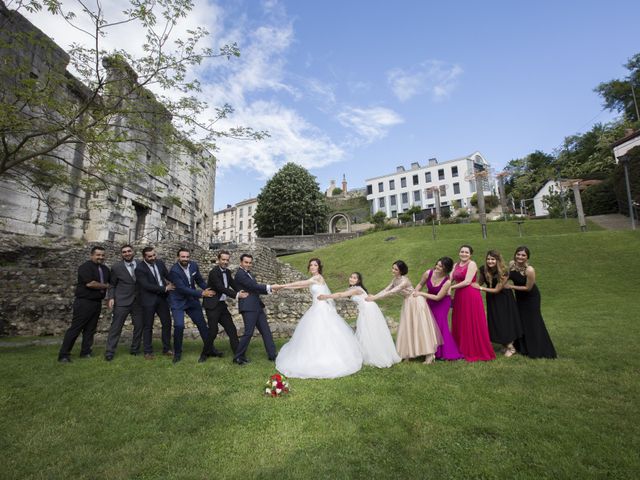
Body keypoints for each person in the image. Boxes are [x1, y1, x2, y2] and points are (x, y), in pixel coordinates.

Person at [275, 259, 363, 378]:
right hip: (315, 308)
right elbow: (298, 286)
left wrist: (281, 285)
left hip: (321, 309)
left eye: (315, 265)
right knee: (312, 334)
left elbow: (301, 283)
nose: (312, 267)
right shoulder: (312, 280)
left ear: (319, 267)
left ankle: (327, 359)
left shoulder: (318, 278)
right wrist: (283, 288)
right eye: (311, 265)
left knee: (322, 333)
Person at [318, 272, 400, 368]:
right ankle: (369, 353)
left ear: (358, 281)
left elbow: (341, 294)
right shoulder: (355, 288)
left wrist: (326, 296)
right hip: (367, 309)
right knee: (366, 332)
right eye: (351, 277)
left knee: (369, 332)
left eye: (354, 278)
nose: (352, 279)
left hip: (368, 311)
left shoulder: (356, 289)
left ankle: (377, 355)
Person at [366, 260, 442, 364]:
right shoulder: (395, 279)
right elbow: (386, 289)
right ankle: (408, 352)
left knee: (420, 326)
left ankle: (429, 355)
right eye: (393, 268)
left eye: (395, 269)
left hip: (416, 302)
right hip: (407, 302)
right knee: (408, 327)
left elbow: (392, 292)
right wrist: (374, 296)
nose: (393, 270)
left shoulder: (404, 281)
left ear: (401, 271)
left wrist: (374, 298)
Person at [58, 245, 110, 362]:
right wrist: (107, 286)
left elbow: (111, 281)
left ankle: (85, 352)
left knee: (90, 329)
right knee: (76, 328)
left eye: (102, 255)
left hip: (97, 303)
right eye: (98, 255)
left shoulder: (105, 269)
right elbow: (90, 284)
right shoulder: (85, 267)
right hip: (84, 302)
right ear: (92, 255)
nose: (100, 257)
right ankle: (64, 354)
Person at [504, 246, 557, 359]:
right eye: (518, 254)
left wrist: (510, 286)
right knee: (521, 321)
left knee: (533, 322)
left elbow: (528, 288)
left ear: (527, 257)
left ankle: (538, 349)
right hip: (519, 297)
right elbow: (507, 276)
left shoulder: (529, 270)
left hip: (531, 298)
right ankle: (522, 347)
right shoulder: (512, 264)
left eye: (523, 255)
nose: (520, 257)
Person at [449, 245, 496, 362]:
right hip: (459, 296)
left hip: (470, 294)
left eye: (466, 252)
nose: (464, 254)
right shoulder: (455, 265)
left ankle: (473, 349)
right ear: (459, 252)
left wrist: (451, 287)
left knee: (471, 320)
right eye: (462, 251)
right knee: (460, 320)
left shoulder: (472, 264)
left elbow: (467, 281)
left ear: (470, 254)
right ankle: (460, 347)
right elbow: (449, 278)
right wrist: (445, 285)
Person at [168, 248, 215, 364]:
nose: (185, 259)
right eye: (183, 257)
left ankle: (210, 349)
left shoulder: (193, 265)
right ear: (178, 257)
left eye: (187, 257)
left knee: (202, 325)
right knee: (179, 326)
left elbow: (199, 280)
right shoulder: (174, 271)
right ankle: (177, 353)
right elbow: (182, 288)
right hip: (178, 301)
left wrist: (207, 288)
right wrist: (201, 293)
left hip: (191, 300)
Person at [472, 250, 522, 357]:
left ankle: (511, 347)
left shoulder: (504, 271)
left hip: (504, 298)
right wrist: (468, 284)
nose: (490, 261)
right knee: (496, 321)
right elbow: (479, 282)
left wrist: (480, 288)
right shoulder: (483, 269)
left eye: (493, 259)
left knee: (504, 321)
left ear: (497, 260)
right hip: (492, 299)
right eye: (488, 259)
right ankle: (504, 345)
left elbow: (496, 290)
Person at [201, 250, 247, 362]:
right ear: (218, 260)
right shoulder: (213, 273)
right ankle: (204, 354)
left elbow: (233, 283)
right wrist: (237, 295)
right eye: (223, 259)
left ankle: (238, 356)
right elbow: (221, 288)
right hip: (212, 305)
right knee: (213, 331)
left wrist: (242, 290)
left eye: (227, 260)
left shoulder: (227, 272)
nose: (225, 262)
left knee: (231, 329)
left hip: (222, 305)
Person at [413, 257, 463, 361]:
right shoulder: (428, 273)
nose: (437, 267)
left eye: (441, 266)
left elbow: (438, 298)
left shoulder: (447, 282)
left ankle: (442, 352)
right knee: (428, 324)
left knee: (439, 324)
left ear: (446, 269)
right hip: (430, 301)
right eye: (437, 264)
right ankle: (427, 349)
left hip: (442, 302)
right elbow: (420, 284)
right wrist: (414, 293)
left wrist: (421, 294)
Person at [232, 253, 277, 365]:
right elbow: (253, 286)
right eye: (246, 262)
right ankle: (238, 357)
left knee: (266, 331)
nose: (248, 264)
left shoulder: (249, 274)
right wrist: (270, 287)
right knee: (248, 333)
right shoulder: (240, 274)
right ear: (241, 262)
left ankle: (272, 355)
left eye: (250, 263)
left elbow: (255, 289)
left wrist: (270, 290)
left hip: (257, 306)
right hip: (248, 307)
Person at [104, 244, 143, 361]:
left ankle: (135, 349)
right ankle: (110, 352)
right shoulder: (116, 267)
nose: (127, 253)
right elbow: (112, 285)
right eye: (124, 252)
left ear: (133, 252)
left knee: (139, 326)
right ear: (122, 254)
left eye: (129, 251)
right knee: (116, 327)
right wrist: (111, 297)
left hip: (138, 301)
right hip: (122, 301)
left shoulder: (141, 264)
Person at [135, 246, 175, 359]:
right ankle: (148, 351)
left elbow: (168, 276)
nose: (153, 258)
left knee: (167, 324)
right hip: (148, 300)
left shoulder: (160, 263)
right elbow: (146, 285)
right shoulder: (139, 269)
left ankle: (167, 349)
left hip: (162, 299)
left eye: (154, 255)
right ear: (144, 257)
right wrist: (165, 288)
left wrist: (179, 281)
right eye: (150, 256)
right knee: (148, 326)